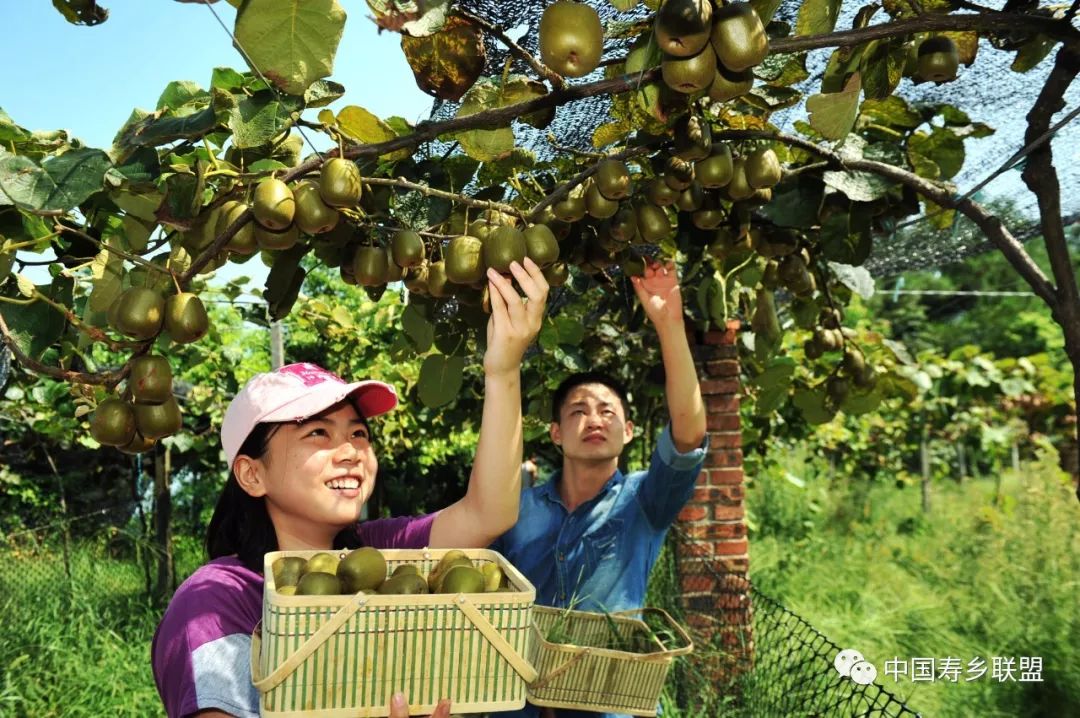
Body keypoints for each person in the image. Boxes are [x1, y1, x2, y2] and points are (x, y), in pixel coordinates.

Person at [151, 259, 549, 718]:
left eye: (359, 434)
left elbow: (489, 514)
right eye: (317, 433)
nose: (350, 450)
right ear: (251, 475)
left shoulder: (380, 557)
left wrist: (503, 371)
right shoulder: (216, 600)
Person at [491, 260, 707, 718]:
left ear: (628, 431)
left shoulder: (645, 502)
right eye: (578, 411)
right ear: (554, 433)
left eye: (607, 412)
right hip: (518, 707)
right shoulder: (514, 509)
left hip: (611, 705)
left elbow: (688, 436)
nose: (594, 419)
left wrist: (669, 323)